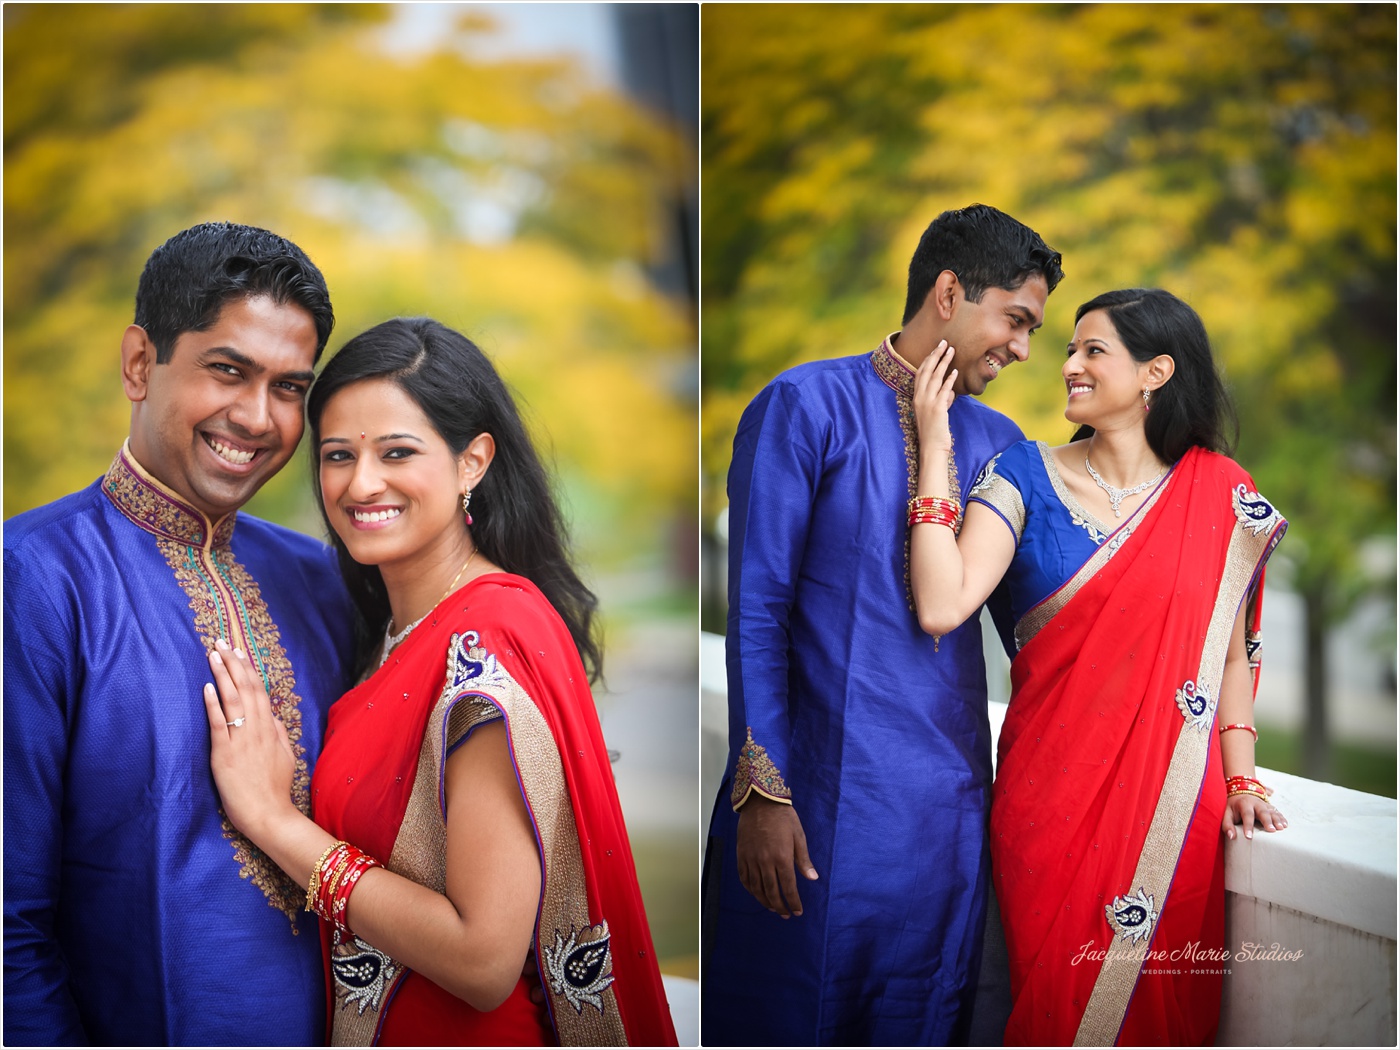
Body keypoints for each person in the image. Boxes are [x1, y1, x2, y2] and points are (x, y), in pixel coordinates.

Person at [201, 317, 678, 1046]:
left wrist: (273, 823)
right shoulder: (399, 631)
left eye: (397, 452)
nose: (362, 483)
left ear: (471, 462)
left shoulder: (481, 650)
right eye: (337, 456)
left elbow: (482, 957)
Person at [702, 204, 1065, 1045]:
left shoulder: (1002, 443)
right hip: (811, 812)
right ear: (948, 292)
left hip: (941, 824)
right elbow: (758, 608)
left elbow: (1039, 623)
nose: (1022, 348)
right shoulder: (803, 405)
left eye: (1034, 330)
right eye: (1015, 320)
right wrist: (763, 790)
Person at [4, 223, 356, 1044]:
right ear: (139, 363)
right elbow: (7, 925)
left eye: (289, 388)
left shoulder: (326, 583)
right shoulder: (33, 579)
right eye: (227, 371)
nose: (258, 417)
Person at [908, 288, 1288, 1045]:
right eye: (1070, 349)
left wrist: (1241, 776)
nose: (1069, 365)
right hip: (1047, 800)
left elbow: (1232, 651)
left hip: (1171, 807)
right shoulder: (1025, 473)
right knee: (1052, 1001)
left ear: (1155, 372)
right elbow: (941, 605)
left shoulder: (1220, 491)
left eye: (1093, 351)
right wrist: (935, 451)